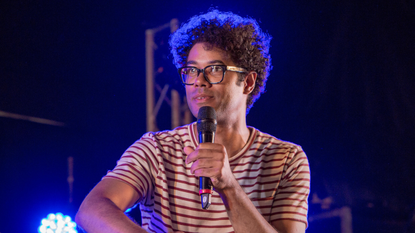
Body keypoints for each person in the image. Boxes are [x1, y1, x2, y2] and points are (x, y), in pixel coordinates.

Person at [75, 10, 310, 233]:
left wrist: (229, 187)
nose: (199, 81)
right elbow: (92, 210)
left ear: (247, 82)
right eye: (191, 70)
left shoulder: (286, 158)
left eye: (214, 69)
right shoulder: (157, 149)